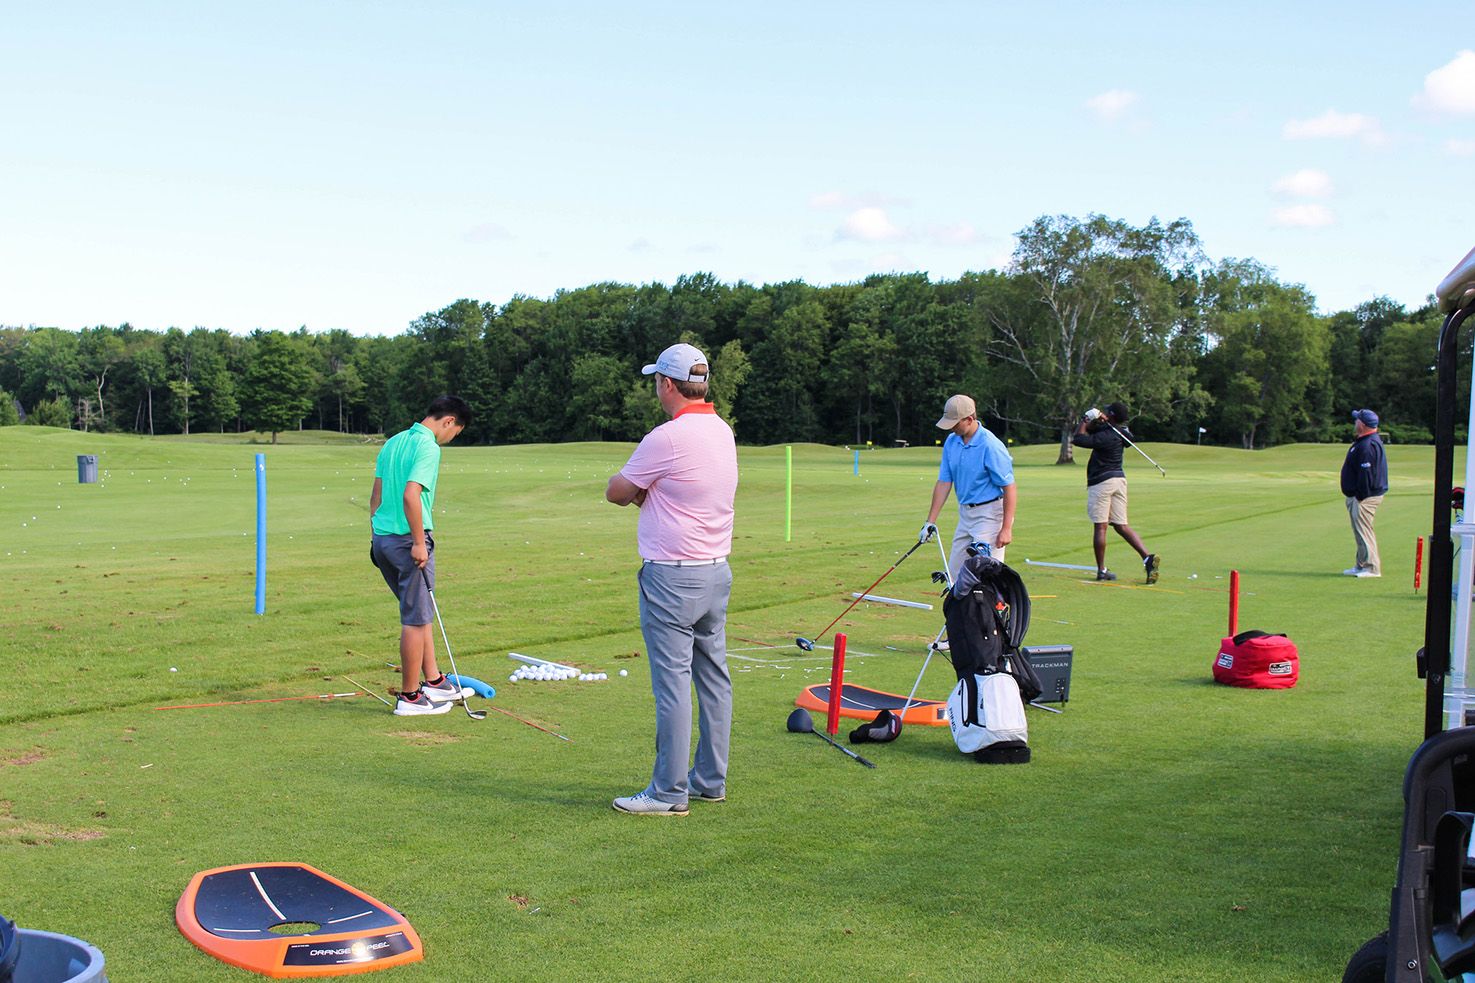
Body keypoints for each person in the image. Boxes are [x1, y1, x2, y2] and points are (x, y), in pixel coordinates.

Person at [605, 343, 738, 816]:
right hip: (715, 572)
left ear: (666, 384)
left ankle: (667, 792)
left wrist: (645, 493)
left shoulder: (667, 436)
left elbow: (616, 491)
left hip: (671, 577)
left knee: (673, 685)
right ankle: (709, 781)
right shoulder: (722, 430)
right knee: (714, 681)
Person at [368, 395, 472, 715]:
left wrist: (376, 538)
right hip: (407, 542)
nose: (451, 438)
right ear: (449, 421)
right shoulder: (428, 447)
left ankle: (435, 681)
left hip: (382, 541)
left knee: (420, 610)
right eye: (456, 432)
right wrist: (417, 542)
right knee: (415, 619)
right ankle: (411, 698)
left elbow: (376, 497)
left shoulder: (394, 442)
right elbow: (411, 495)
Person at [921, 394, 1017, 578]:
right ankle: (961, 607)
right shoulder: (952, 441)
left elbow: (1009, 487)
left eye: (955, 423)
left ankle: (994, 607)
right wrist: (930, 522)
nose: (951, 428)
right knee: (955, 574)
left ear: (970, 419)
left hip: (990, 515)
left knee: (984, 574)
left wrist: (1006, 528)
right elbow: (944, 481)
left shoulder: (990, 445)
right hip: (966, 514)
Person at [1071, 403, 1159, 583]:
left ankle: (1101, 570)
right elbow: (1119, 433)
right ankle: (1147, 558)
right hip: (1120, 481)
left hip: (1102, 482)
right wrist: (1100, 421)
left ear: (1111, 415)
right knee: (1121, 526)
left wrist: (1086, 419)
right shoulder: (1121, 433)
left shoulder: (1106, 436)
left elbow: (1078, 438)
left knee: (1100, 526)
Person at [1341, 408, 1388, 578]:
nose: (1355, 423)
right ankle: (1361, 564)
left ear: (1362, 424)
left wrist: (1360, 496)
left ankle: (1371, 567)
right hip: (1359, 496)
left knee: (1364, 530)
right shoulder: (1364, 441)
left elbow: (1366, 474)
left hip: (1364, 497)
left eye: (1356, 420)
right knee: (1359, 531)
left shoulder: (1368, 445)